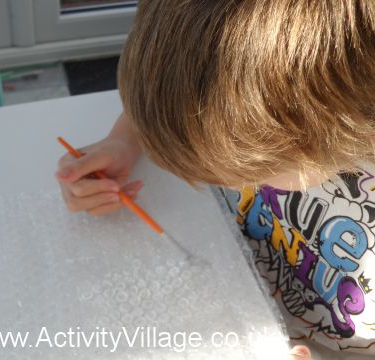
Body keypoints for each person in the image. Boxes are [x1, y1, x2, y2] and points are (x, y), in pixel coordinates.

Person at [57, 0, 375, 357]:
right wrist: (125, 139)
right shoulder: (296, 104)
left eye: (247, 171)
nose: (227, 182)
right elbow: (191, 82)